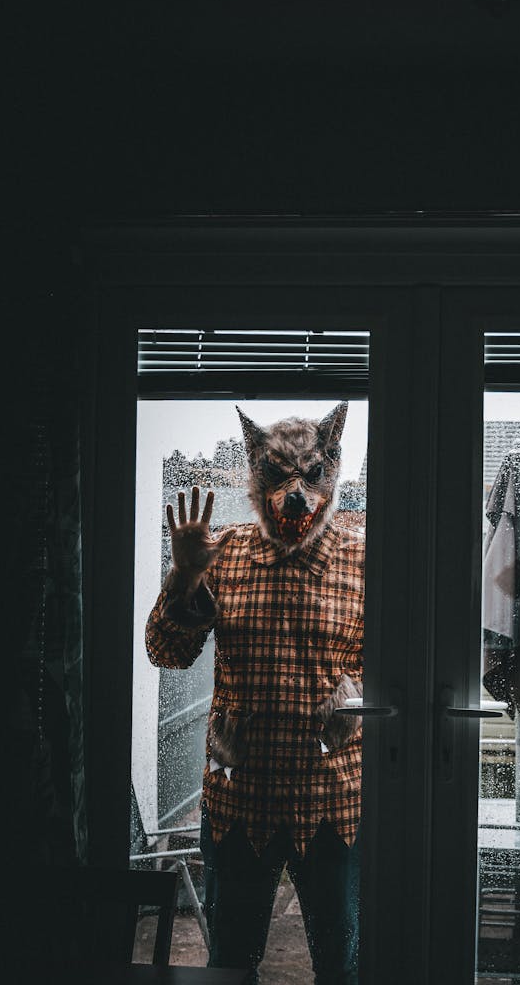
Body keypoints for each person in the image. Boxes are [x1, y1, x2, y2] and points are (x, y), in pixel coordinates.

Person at [145, 403, 364, 985]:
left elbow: (395, 665)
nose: (295, 494)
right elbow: (165, 651)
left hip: (330, 799)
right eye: (277, 475)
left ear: (332, 471)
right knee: (230, 965)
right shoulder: (224, 553)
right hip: (239, 798)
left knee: (341, 966)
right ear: (253, 473)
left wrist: (354, 692)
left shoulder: (364, 556)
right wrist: (184, 576)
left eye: (311, 474)